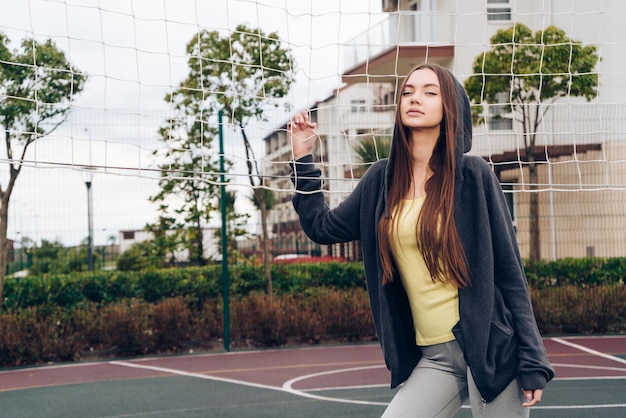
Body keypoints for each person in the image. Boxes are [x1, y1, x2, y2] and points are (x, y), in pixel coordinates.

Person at [288, 63, 554, 417]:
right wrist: (302, 157)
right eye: (408, 91)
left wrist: (533, 357)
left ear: (450, 107)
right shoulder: (381, 178)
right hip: (435, 357)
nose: (415, 98)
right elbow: (322, 228)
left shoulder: (473, 176)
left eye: (430, 92)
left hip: (490, 349)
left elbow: (510, 273)